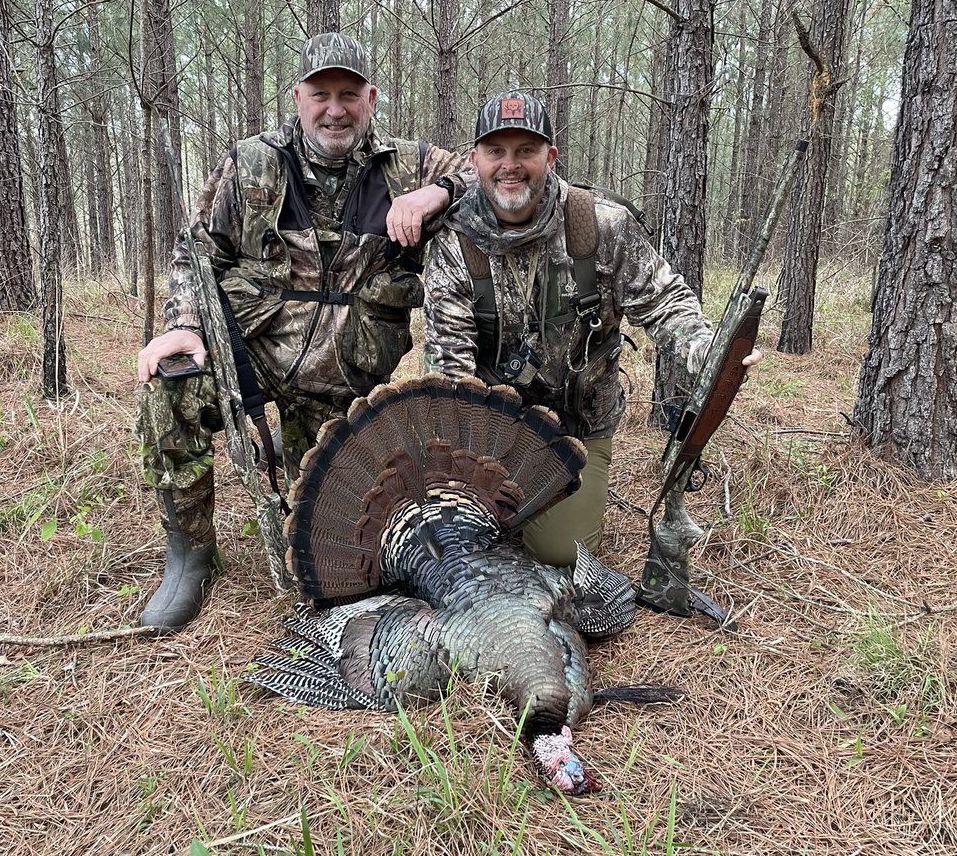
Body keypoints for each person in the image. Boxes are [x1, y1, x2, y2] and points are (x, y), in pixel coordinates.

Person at [133, 32, 468, 632]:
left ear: (370, 98)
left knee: (330, 570)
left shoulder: (407, 164)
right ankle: (189, 552)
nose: (334, 109)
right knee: (169, 387)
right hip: (252, 369)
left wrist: (434, 192)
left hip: (343, 394)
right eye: (320, 95)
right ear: (298, 97)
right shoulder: (253, 162)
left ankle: (300, 459)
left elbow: (486, 170)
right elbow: (195, 250)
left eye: (347, 94)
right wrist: (183, 326)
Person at [424, 91, 762, 569]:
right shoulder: (455, 242)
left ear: (551, 156)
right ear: (475, 159)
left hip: (580, 425)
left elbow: (665, 301)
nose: (510, 165)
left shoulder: (600, 225)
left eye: (526, 150)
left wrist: (708, 351)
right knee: (456, 544)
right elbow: (450, 369)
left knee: (561, 554)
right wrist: (466, 471)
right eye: (497, 151)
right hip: (492, 430)